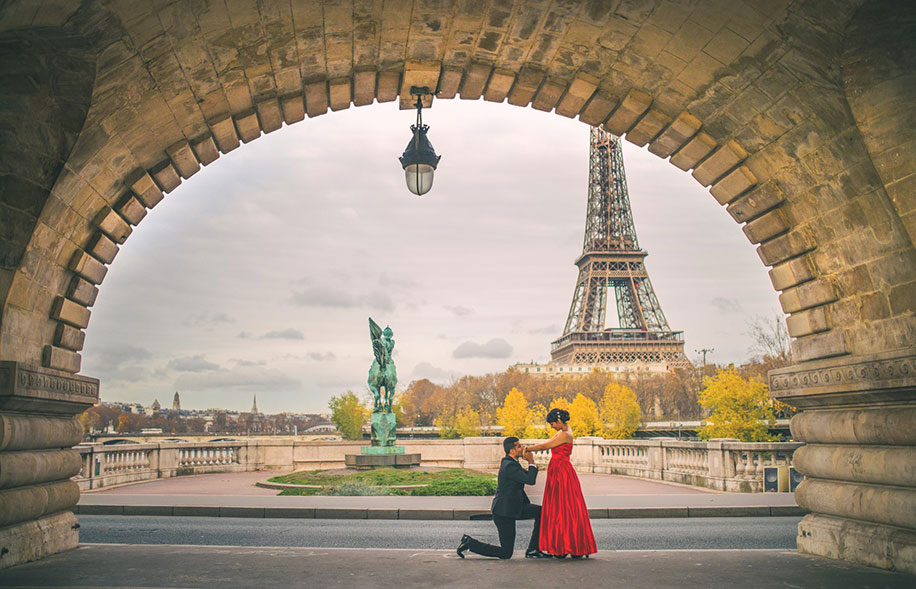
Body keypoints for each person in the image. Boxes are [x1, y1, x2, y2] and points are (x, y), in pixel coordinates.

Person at [456, 437, 551, 559]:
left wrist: (530, 466)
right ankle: (470, 543)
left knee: (542, 512)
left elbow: (525, 476)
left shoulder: (511, 463)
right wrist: (531, 461)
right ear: (512, 450)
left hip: (515, 507)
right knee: (506, 553)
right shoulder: (509, 466)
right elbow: (530, 480)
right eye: (519, 446)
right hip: (504, 512)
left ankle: (533, 549)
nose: (522, 448)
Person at [525, 408, 597, 558]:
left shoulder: (565, 435)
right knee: (568, 507)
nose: (551, 426)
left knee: (561, 508)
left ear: (558, 421)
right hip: (560, 471)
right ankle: (571, 545)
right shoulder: (564, 432)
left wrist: (527, 449)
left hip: (561, 472)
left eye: (552, 423)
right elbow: (548, 444)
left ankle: (563, 546)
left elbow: (545, 446)